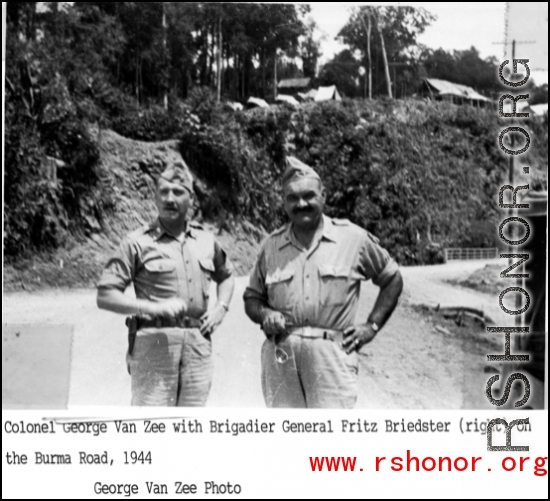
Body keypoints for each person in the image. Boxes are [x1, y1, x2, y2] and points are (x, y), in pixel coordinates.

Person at [243, 156, 403, 408]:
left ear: (323, 196)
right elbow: (252, 298)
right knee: (285, 438)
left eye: (308, 195)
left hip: (332, 359)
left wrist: (371, 326)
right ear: (284, 203)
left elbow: (392, 278)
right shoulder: (271, 246)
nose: (301, 203)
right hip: (281, 357)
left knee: (329, 439)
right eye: (292, 198)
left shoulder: (353, 238)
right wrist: (264, 313)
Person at [97, 160, 234, 406]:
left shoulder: (206, 240)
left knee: (191, 428)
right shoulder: (137, 242)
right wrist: (152, 308)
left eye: (178, 192)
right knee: (151, 427)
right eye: (164, 192)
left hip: (198, 348)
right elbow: (106, 295)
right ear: (156, 198)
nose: (170, 199)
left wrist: (220, 308)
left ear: (191, 199)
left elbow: (226, 276)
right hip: (153, 346)